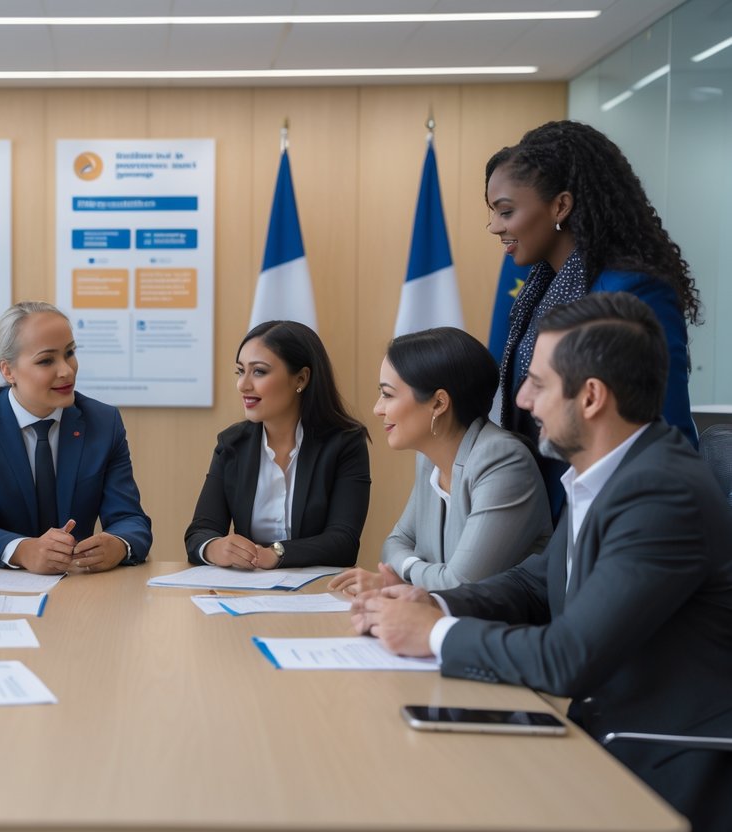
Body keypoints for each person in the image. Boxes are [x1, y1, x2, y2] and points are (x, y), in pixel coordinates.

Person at [351, 293, 732, 831]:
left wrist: (433, 633)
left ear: (591, 397)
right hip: (598, 736)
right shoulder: (609, 474)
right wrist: (433, 601)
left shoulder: (662, 495)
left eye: (538, 383)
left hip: (663, 765)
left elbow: (569, 657)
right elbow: (533, 586)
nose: (522, 400)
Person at [486, 120, 700, 514]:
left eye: (506, 211)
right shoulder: (540, 288)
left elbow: (665, 428)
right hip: (542, 515)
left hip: (611, 515)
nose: (495, 227)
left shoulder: (631, 290)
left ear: (560, 206)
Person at [328, 327, 551, 594]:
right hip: (442, 614)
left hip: (501, 620)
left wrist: (404, 577)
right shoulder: (429, 459)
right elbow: (394, 544)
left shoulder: (502, 461)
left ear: (438, 403)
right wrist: (415, 573)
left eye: (387, 394)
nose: (377, 409)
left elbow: (460, 584)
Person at [0, 301, 152, 574]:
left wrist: (118, 544)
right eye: (46, 360)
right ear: (8, 371)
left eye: (70, 353)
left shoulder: (103, 423)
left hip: (73, 581)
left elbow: (131, 519)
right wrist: (23, 550)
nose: (67, 370)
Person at [185, 320, 369, 569]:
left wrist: (278, 553)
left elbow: (343, 542)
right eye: (240, 371)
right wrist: (214, 547)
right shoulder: (231, 444)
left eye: (259, 371)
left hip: (317, 587)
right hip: (247, 585)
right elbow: (200, 532)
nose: (243, 385)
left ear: (301, 378)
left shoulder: (345, 443)